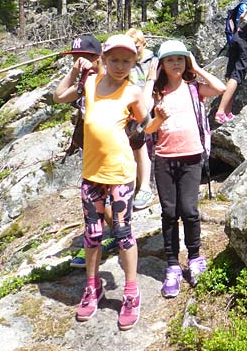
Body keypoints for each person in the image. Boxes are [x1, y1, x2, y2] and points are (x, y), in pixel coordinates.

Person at [54, 34, 149, 330]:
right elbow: (59, 96)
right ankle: (92, 287)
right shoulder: (90, 83)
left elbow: (144, 129)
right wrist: (74, 71)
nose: (120, 66)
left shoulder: (133, 93)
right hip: (92, 175)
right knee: (92, 234)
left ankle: (131, 292)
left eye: (127, 61)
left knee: (122, 232)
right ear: (104, 60)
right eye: (115, 60)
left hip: (120, 173)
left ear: (134, 63)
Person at [143, 39, 225, 297]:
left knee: (189, 211)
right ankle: (171, 266)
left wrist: (197, 68)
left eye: (180, 59)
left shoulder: (194, 88)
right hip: (164, 159)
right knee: (169, 212)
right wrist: (150, 80)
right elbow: (144, 120)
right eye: (170, 60)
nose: (175, 63)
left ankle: (195, 258)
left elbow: (220, 88)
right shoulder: (156, 93)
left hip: (191, 157)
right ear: (161, 65)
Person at [53, 34, 119, 269]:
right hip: (91, 152)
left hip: (113, 151)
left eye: (85, 57)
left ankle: (116, 238)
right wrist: (74, 73)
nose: (80, 61)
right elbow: (58, 96)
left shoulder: (110, 79)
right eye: (76, 58)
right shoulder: (83, 84)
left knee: (109, 198)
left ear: (98, 57)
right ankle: (108, 238)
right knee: (94, 201)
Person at [125, 28, 156, 211]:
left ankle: (145, 186)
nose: (134, 50)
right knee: (134, 149)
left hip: (147, 108)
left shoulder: (153, 61)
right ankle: (138, 185)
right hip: (131, 110)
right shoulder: (128, 62)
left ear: (143, 44)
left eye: (136, 46)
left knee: (142, 148)